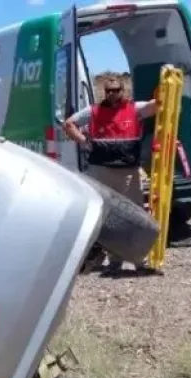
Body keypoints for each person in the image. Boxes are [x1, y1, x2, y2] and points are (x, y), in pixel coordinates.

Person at [63, 77, 156, 273]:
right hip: (101, 171)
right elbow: (69, 124)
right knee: (108, 217)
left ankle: (140, 260)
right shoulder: (93, 111)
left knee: (136, 215)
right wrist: (83, 141)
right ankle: (115, 260)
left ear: (123, 91)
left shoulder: (134, 108)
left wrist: (169, 83)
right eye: (108, 91)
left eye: (116, 90)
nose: (112, 94)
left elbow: (157, 106)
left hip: (128, 173)